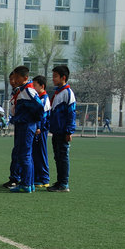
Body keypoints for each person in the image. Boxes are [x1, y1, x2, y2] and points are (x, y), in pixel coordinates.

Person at [8, 66, 44, 193]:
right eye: (14, 77)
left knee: (24, 155)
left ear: (25, 78)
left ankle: (26, 184)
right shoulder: (22, 91)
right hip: (23, 124)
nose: (15, 80)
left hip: (26, 125)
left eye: (17, 77)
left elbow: (40, 107)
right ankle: (29, 183)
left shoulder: (28, 91)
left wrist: (34, 122)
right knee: (24, 154)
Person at [47, 65, 76, 193]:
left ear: (63, 78)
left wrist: (69, 131)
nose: (53, 79)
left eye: (55, 76)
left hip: (63, 131)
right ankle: (60, 181)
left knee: (63, 157)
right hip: (56, 131)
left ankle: (64, 183)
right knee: (58, 157)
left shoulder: (68, 93)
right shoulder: (58, 92)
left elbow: (71, 113)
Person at [32, 75, 51, 188]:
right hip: (38, 129)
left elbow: (43, 116)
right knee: (36, 153)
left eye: (35, 86)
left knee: (42, 152)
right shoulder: (39, 98)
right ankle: (38, 178)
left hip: (41, 130)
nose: (33, 88)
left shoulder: (44, 99)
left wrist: (39, 127)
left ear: (42, 86)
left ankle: (45, 178)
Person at [3, 72, 21, 188]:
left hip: (25, 125)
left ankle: (19, 179)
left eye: (14, 79)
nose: (12, 81)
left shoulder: (24, 92)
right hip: (19, 124)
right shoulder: (15, 91)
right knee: (17, 152)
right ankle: (14, 177)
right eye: (10, 79)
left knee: (21, 154)